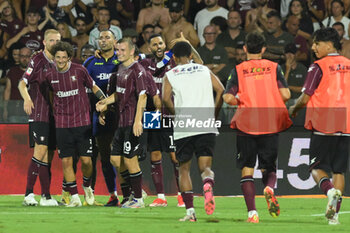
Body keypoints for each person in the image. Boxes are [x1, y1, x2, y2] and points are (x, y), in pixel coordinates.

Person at [223, 32, 292, 223]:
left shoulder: (238, 70)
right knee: (268, 167)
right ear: (263, 50)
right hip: (269, 123)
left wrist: (242, 100)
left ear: (245, 49)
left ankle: (252, 213)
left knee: (247, 168)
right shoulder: (274, 67)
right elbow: (286, 94)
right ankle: (269, 188)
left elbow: (227, 97)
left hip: (246, 124)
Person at [289, 28, 350, 225]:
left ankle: (329, 191)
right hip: (347, 124)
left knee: (316, 168)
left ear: (329, 44)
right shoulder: (349, 64)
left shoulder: (318, 66)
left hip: (325, 122)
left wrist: (293, 109)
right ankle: (335, 217)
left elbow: (305, 97)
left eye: (316, 43)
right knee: (339, 171)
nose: (313, 47)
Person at [162, 41, 224, 221]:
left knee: (183, 169)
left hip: (185, 124)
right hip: (205, 122)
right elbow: (220, 90)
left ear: (173, 58)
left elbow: (165, 98)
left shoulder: (170, 74)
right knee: (205, 167)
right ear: (190, 56)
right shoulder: (203, 70)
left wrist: (177, 114)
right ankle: (207, 183)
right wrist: (214, 113)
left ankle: (190, 212)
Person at [139, 33, 203, 207]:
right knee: (155, 155)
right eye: (154, 44)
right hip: (152, 114)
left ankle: (182, 195)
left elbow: (199, 64)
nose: (158, 47)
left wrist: (187, 44)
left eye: (160, 43)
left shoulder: (174, 61)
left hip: (172, 114)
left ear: (165, 44)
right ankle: (161, 197)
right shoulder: (145, 64)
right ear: (149, 47)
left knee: (175, 157)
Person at [45, 41, 105, 207]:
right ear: (54, 58)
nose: (61, 60)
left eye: (64, 57)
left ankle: (87, 187)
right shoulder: (50, 75)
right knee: (66, 161)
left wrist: (104, 100)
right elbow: (51, 95)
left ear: (69, 57)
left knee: (86, 161)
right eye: (58, 57)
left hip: (82, 122)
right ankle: (74, 197)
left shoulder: (79, 70)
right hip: (62, 124)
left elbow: (93, 87)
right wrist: (56, 112)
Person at [96, 38, 149, 208]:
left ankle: (138, 198)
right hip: (121, 122)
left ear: (132, 51)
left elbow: (143, 96)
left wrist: (138, 121)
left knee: (130, 160)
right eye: (117, 49)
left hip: (132, 122)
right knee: (115, 159)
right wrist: (105, 102)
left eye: (122, 50)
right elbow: (119, 94)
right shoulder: (120, 69)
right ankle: (131, 194)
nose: (118, 52)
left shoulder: (137, 70)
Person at [18, 29, 61, 206]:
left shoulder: (60, 62)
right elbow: (22, 83)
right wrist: (27, 99)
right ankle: (28, 194)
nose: (55, 43)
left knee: (47, 156)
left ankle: (46, 196)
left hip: (55, 116)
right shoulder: (37, 60)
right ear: (44, 42)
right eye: (51, 40)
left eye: (58, 40)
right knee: (40, 151)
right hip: (39, 113)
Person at [83, 29, 119, 206]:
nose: (103, 41)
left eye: (107, 37)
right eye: (101, 38)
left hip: (118, 115)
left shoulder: (122, 60)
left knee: (121, 156)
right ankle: (95, 195)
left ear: (115, 41)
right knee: (98, 156)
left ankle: (130, 192)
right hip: (95, 115)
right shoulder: (90, 62)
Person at [3, 46, 31, 123]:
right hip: (15, 111)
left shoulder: (36, 72)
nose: (24, 59)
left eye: (27, 56)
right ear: (19, 57)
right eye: (22, 56)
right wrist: (5, 109)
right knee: (14, 134)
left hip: (31, 112)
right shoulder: (12, 71)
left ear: (31, 57)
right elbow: (7, 90)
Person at [281, 43, 307, 107]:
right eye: (287, 53)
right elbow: (281, 89)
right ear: (284, 54)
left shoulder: (303, 69)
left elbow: (304, 89)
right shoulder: (280, 68)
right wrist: (287, 70)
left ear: (296, 54)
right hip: (285, 101)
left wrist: (289, 87)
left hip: (299, 100)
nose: (289, 55)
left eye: (292, 53)